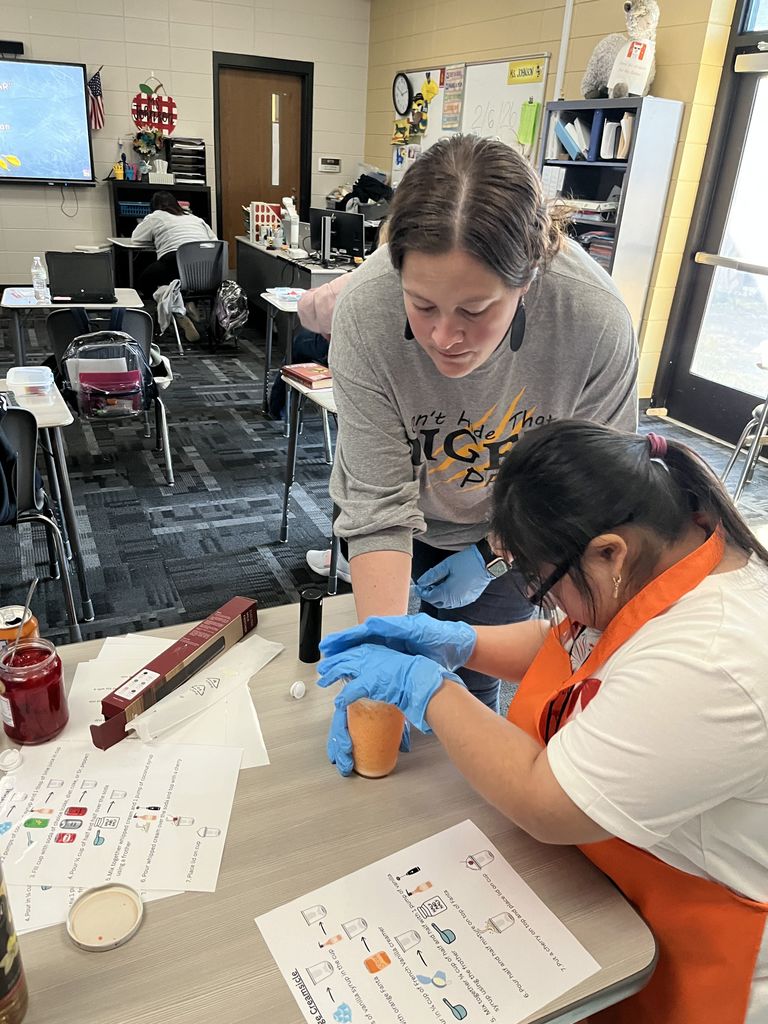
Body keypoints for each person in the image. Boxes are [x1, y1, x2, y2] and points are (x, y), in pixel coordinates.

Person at [318, 420, 768, 1023]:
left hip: (702, 923)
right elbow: (579, 647)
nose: (545, 601)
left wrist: (425, 689)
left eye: (542, 583)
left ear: (610, 551)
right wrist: (455, 642)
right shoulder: (670, 555)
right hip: (614, 881)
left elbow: (546, 803)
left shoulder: (710, 661)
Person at [325, 134, 638, 711]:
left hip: (522, 528)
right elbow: (375, 509)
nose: (445, 337)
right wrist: (383, 661)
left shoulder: (593, 323)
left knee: (473, 690)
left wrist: (495, 556)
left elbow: (594, 490)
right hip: (401, 527)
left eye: (475, 310)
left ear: (528, 279)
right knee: (388, 693)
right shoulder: (367, 313)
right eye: (422, 306)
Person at [132, 191, 217, 339]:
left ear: (154, 207)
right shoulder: (195, 218)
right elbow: (214, 240)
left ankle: (177, 310)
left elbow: (136, 239)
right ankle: (188, 303)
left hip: (175, 261)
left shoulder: (156, 216)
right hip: (206, 267)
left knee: (144, 281)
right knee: (183, 281)